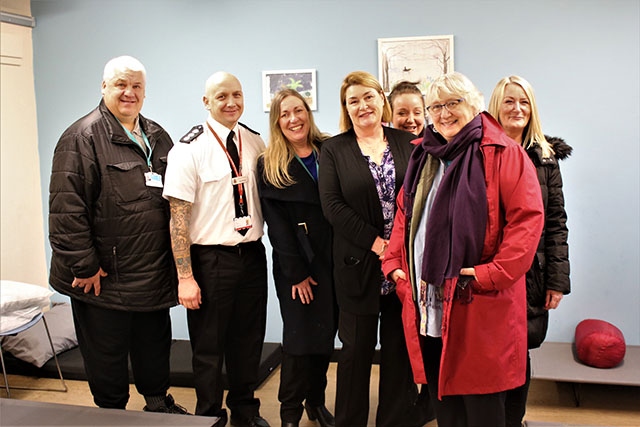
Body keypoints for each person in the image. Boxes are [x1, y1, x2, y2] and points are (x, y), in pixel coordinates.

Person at [382, 72, 545, 427]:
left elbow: (527, 223)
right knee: (445, 400)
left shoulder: (504, 153)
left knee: (484, 406)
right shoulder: (424, 153)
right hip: (430, 300)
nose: (443, 113)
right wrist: (395, 261)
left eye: (453, 103)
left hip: (479, 300)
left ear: (473, 104)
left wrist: (488, 275)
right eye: (436, 106)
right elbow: (404, 214)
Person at [48, 55, 188, 414]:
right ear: (104, 87)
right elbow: (67, 210)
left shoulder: (157, 136)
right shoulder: (80, 137)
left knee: (154, 345)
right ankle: (112, 417)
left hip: (152, 272)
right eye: (121, 84)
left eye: (137, 86)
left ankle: (158, 404)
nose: (129, 92)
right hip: (103, 278)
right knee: (107, 357)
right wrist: (84, 266)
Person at [318, 71, 432, 427]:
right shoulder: (334, 149)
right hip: (358, 267)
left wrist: (396, 249)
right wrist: (379, 244)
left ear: (381, 99)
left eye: (368, 97)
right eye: (353, 100)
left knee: (398, 355)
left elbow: (420, 198)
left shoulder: (408, 142)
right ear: (346, 108)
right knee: (354, 355)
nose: (362, 105)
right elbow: (332, 206)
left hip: (402, 270)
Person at [163, 71, 270, 427]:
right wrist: (185, 277)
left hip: (252, 256)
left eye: (237, 94)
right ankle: (208, 416)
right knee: (209, 348)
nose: (231, 103)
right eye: (221, 96)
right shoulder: (188, 149)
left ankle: (245, 410)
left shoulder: (256, 142)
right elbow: (178, 217)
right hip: (210, 261)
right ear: (206, 102)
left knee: (249, 341)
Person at [488, 75, 572, 427]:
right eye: (509, 101)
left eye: (524, 102)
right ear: (496, 106)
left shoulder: (546, 159)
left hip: (531, 274)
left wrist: (557, 280)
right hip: (489, 271)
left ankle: (513, 419)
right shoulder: (481, 152)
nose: (517, 108)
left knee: (518, 354)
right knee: (489, 351)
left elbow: (556, 222)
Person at [257, 89, 337, 427]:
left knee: (325, 337)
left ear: (308, 112)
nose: (294, 119)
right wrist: (296, 274)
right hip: (298, 266)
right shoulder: (269, 163)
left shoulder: (329, 149)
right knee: (300, 340)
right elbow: (278, 230)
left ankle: (315, 402)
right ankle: (289, 412)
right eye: (285, 113)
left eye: (299, 110)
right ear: (277, 121)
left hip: (334, 262)